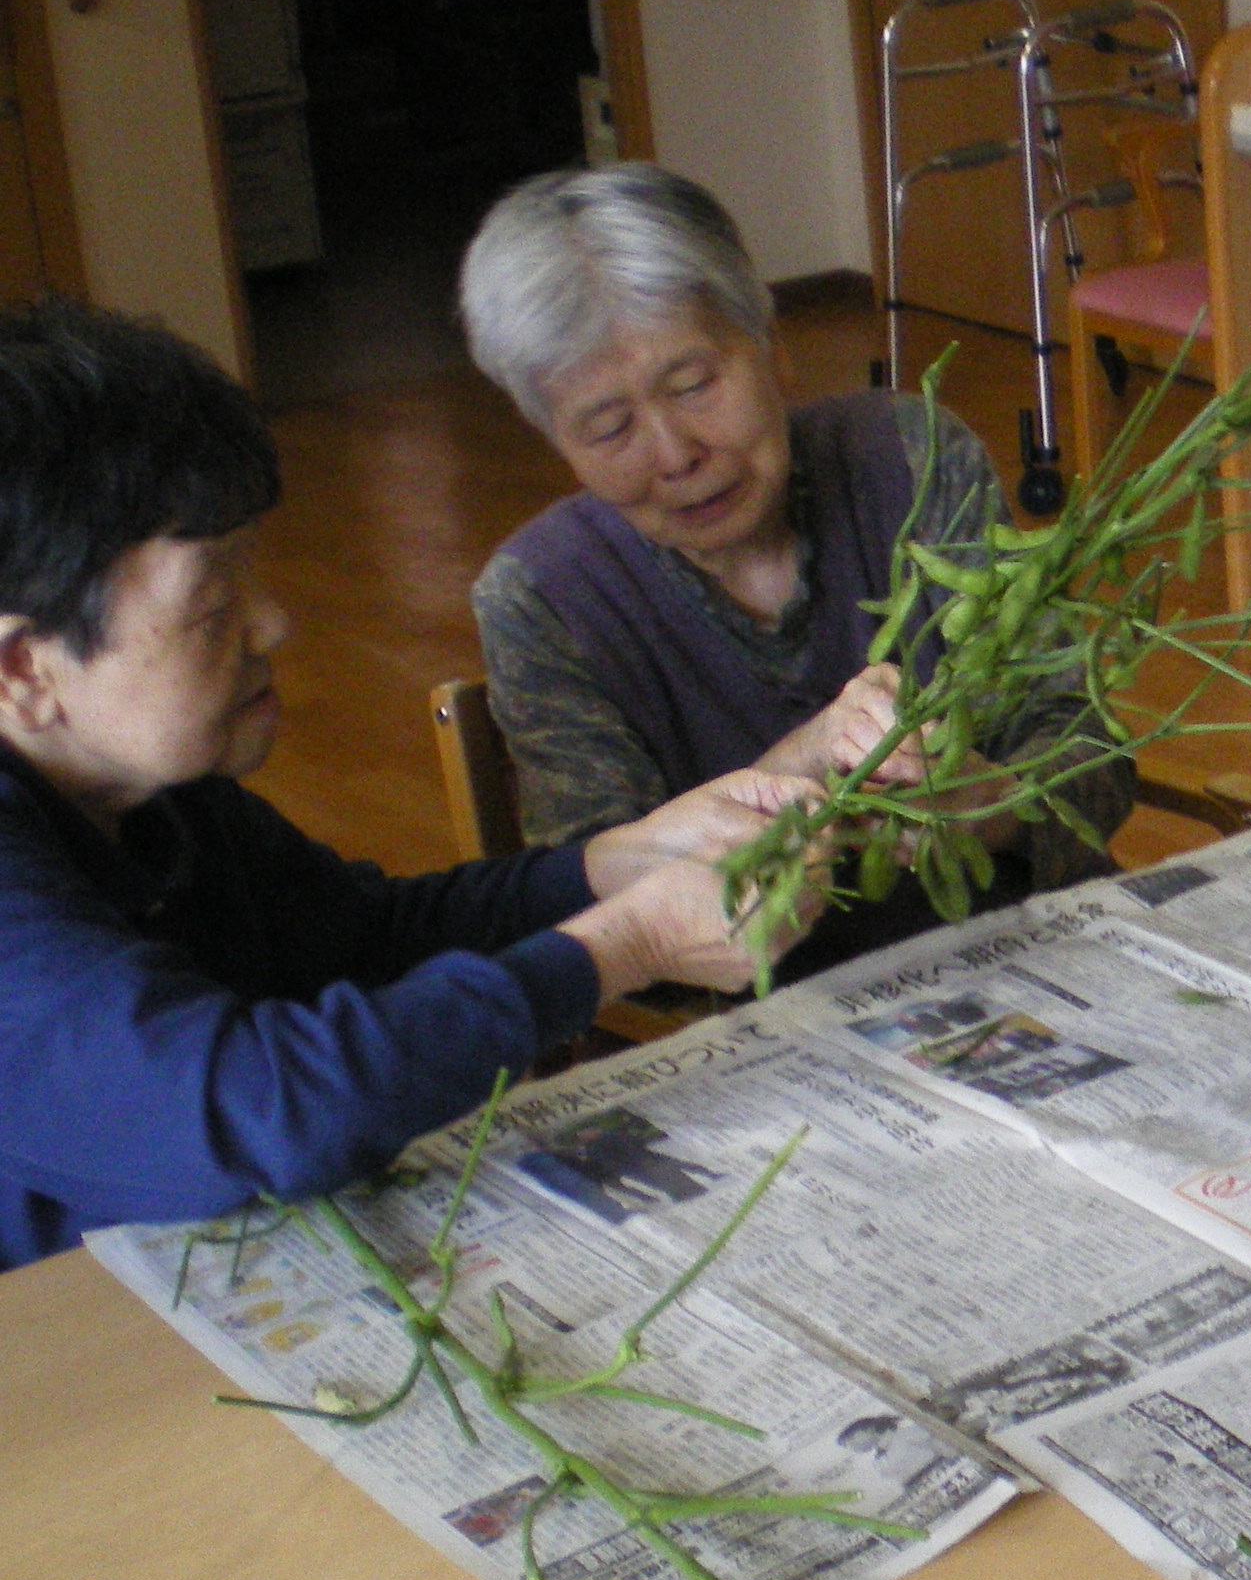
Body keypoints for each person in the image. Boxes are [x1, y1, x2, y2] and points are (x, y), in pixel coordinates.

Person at [0, 299, 808, 1271]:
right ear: (23, 672)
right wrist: (624, 946)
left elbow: (363, 938)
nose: (271, 622)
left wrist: (607, 872)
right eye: (213, 605)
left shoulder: (156, 796)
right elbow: (257, 1112)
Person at [458, 163, 1129, 970]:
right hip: (780, 1023)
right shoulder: (543, 597)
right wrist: (797, 766)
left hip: (1041, 951)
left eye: (695, 383)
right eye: (607, 428)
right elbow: (607, 914)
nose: (676, 456)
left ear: (773, 349)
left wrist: (1003, 804)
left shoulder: (910, 457)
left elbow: (1088, 747)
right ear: (556, 443)